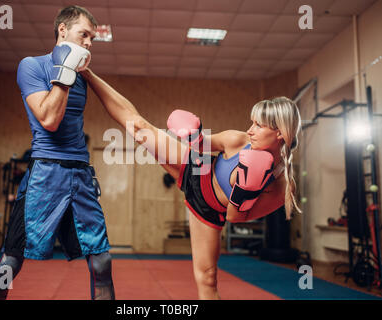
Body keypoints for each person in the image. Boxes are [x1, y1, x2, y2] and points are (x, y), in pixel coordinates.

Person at [80, 68, 302, 300]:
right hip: (199, 167)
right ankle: (89, 76)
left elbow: (235, 218)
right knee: (139, 128)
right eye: (252, 123)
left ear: (280, 133)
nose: (250, 130)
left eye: (259, 125)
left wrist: (245, 187)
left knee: (207, 279)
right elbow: (203, 146)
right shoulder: (239, 140)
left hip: (208, 210)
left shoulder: (281, 186)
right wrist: (193, 135)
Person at [0, 6, 114, 300]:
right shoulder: (31, 65)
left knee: (102, 262)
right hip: (46, 173)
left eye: (93, 37)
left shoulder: (83, 75)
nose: (90, 43)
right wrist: (64, 70)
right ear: (63, 31)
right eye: (85, 34)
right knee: (11, 263)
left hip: (80, 173)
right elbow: (49, 119)